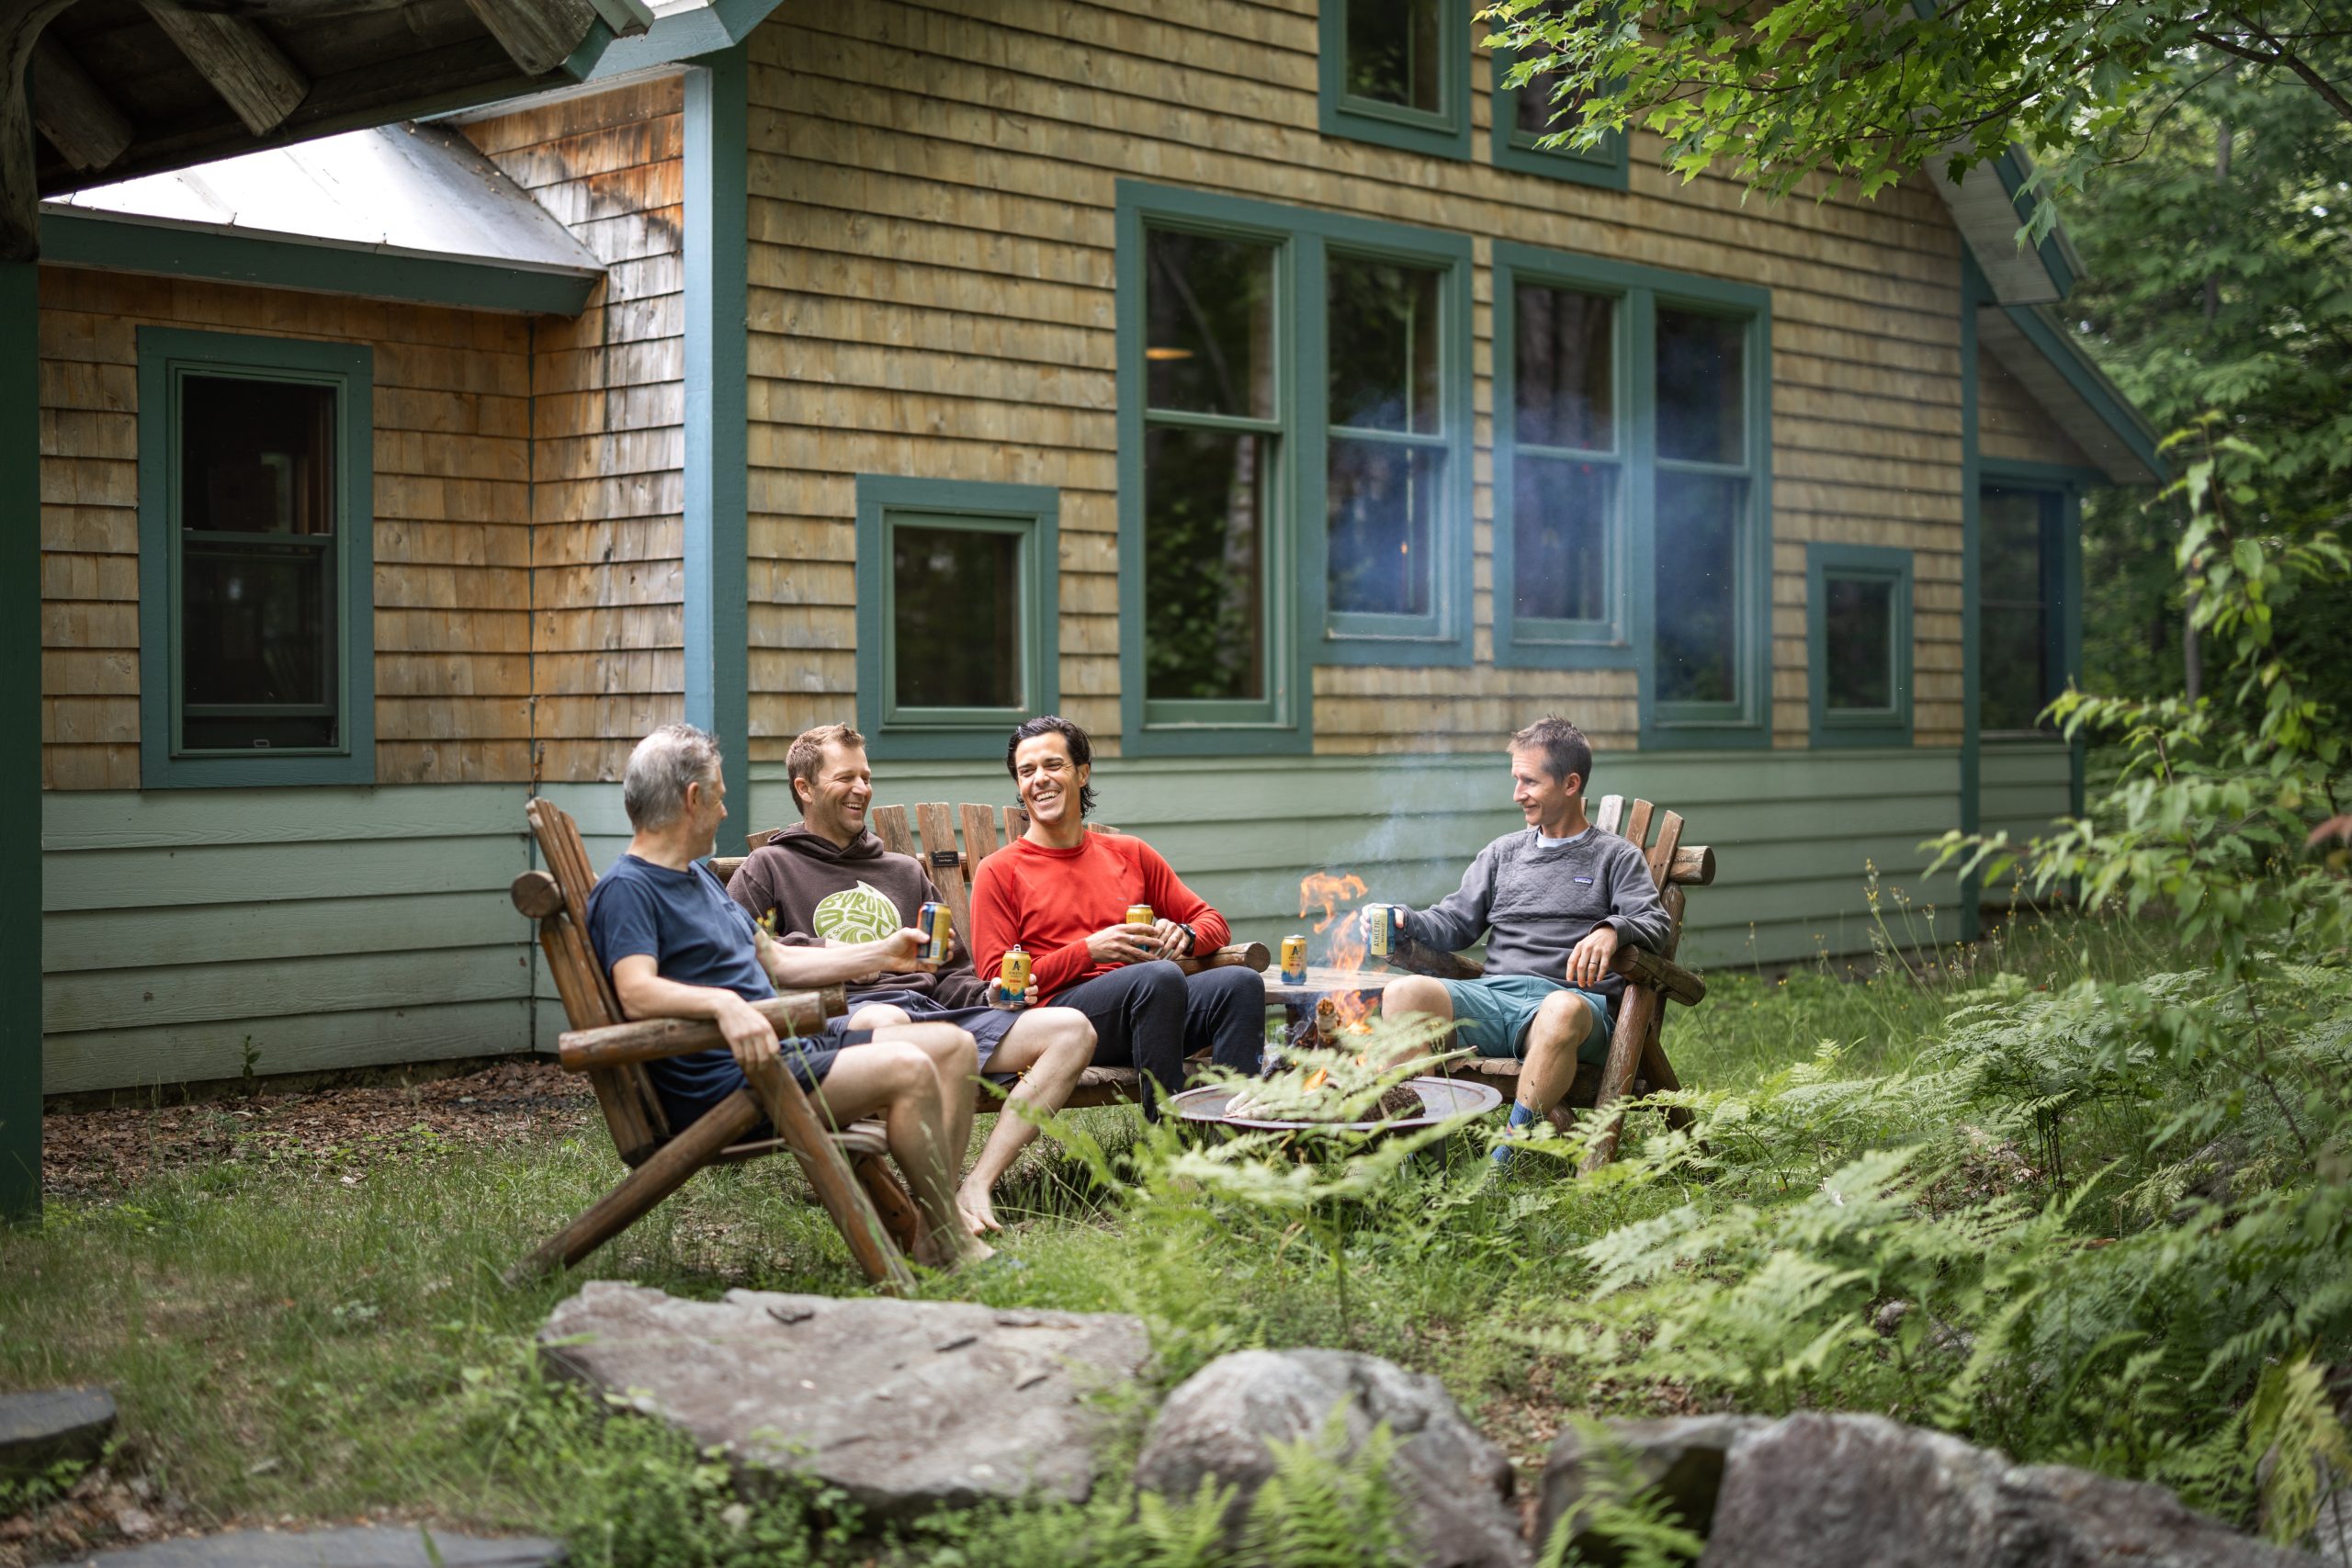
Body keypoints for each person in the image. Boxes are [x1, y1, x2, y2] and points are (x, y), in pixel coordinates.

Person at [585, 723, 989, 1269]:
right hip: (734, 1077)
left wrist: (884, 954)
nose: (725, 813)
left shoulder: (694, 878)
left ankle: (934, 1234)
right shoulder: (629, 887)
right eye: (721, 799)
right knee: (911, 1066)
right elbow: (635, 991)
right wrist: (724, 1005)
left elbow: (775, 960)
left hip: (780, 1051)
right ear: (692, 799)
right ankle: (946, 1239)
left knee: (953, 1047)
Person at [728, 722, 1098, 1235]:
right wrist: (843, 953)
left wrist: (985, 993)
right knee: (887, 1013)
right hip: (841, 1020)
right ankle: (906, 1202)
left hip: (932, 1016)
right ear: (805, 788)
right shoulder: (769, 866)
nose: (862, 789)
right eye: (846, 778)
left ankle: (974, 1184)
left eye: (866, 776)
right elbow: (740, 954)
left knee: (1071, 1029)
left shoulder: (903, 871)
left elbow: (950, 971)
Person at [1374, 716, 1671, 1164]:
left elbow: (1656, 922)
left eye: (1529, 781)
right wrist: (1405, 918)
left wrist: (1613, 929)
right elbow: (1454, 921)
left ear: (1570, 784)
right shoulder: (1502, 854)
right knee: (1404, 992)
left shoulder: (1616, 857)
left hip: (1573, 1010)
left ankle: (1503, 1161)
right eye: (1516, 779)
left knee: (1560, 1009)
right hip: (1495, 999)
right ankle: (1418, 1161)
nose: (1517, 794)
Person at [967, 716, 1265, 1118]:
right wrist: (1088, 951)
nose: (1039, 779)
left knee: (1240, 984)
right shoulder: (1000, 870)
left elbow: (1212, 921)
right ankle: (1171, 1145)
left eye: (1053, 765)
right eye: (1027, 771)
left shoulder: (1130, 853)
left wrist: (1186, 935)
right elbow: (997, 981)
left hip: (1153, 1009)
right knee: (1156, 976)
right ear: (1019, 786)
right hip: (1064, 1023)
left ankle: (1234, 1138)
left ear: (1082, 773)